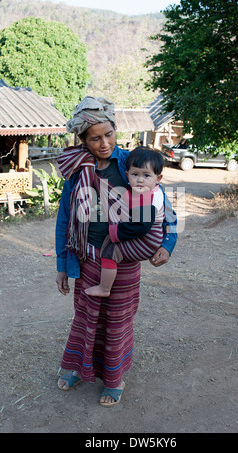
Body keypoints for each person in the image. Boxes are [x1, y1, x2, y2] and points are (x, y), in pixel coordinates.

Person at [55, 96, 177, 407]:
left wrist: (168, 243)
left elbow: (164, 202)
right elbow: (65, 219)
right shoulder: (76, 171)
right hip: (86, 257)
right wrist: (61, 263)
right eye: (95, 138)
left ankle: (113, 378)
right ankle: (78, 369)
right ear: (82, 139)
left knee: (116, 321)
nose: (104, 143)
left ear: (115, 129)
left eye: (109, 134)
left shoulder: (131, 164)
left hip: (123, 260)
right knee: (85, 317)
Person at [85, 146, 165, 297]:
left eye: (146, 175)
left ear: (158, 179)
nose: (140, 179)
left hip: (148, 241)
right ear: (127, 175)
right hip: (145, 237)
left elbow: (142, 225)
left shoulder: (150, 197)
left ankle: (104, 288)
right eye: (135, 174)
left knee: (109, 251)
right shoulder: (140, 191)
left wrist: (115, 232)